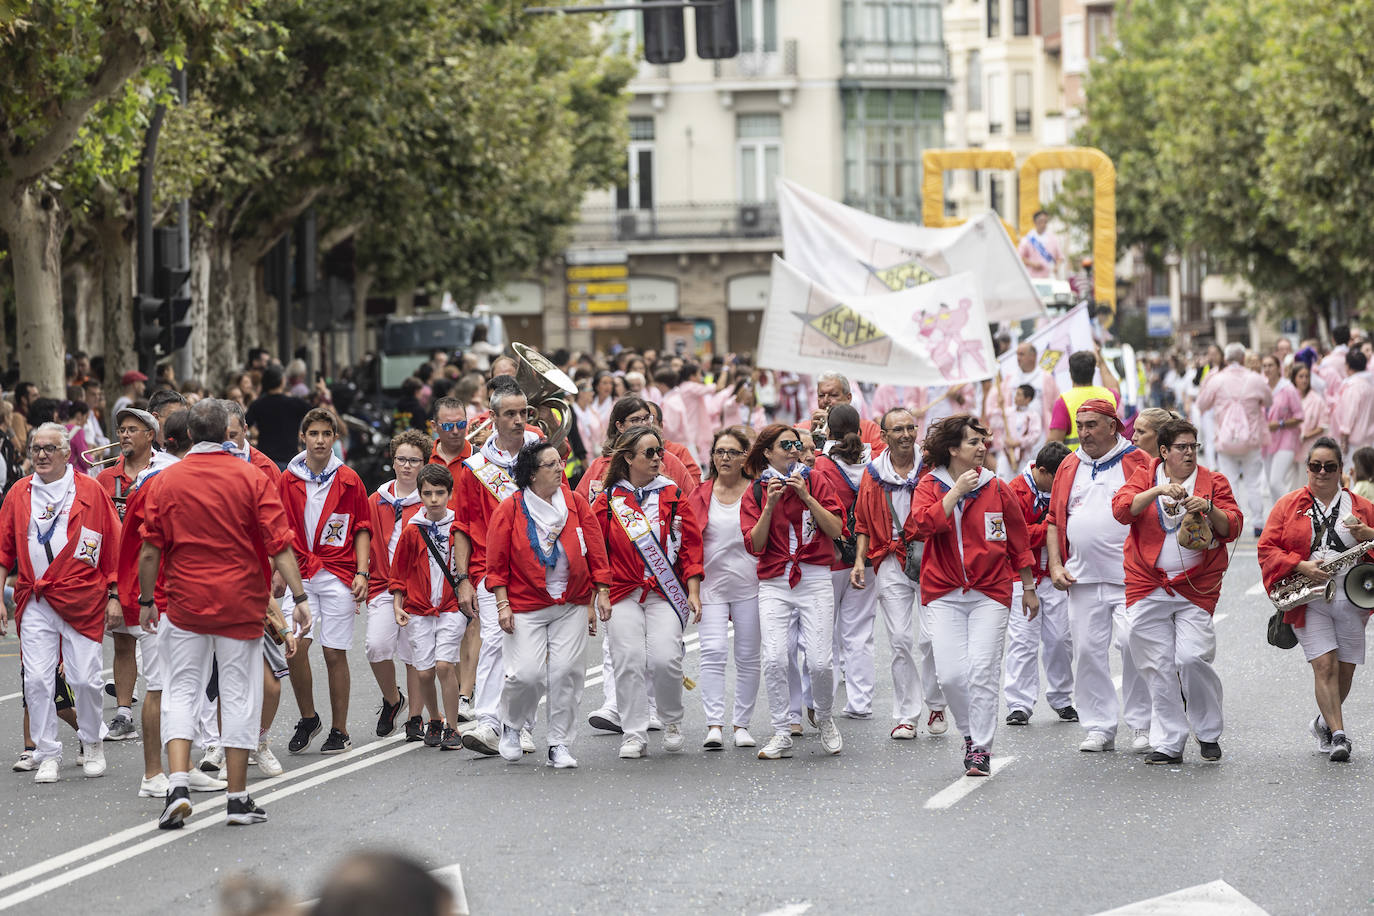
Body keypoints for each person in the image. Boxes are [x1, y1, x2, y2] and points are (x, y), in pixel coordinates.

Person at [138, 399, 310, 827]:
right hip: (240, 603)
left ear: (190, 436)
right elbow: (279, 545)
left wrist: (145, 601)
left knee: (180, 692)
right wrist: (300, 597)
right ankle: (237, 797)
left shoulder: (166, 480)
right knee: (237, 695)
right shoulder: (251, 477)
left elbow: (149, 551)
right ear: (229, 433)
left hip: (185, 602)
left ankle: (177, 785)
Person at [908, 414, 1037, 776]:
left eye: (983, 443)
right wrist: (955, 493)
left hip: (990, 591)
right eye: (973, 443)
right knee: (949, 676)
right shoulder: (930, 485)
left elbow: (1018, 539)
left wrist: (1028, 587)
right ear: (953, 449)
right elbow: (921, 526)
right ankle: (969, 733)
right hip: (944, 591)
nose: (982, 448)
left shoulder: (997, 486)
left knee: (982, 670)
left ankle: (980, 747)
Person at [0, 423, 121, 783]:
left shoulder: (90, 491)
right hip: (34, 598)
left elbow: (111, 545)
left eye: (49, 448)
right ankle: (47, 750)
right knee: (37, 680)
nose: (40, 455)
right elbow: (4, 550)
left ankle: (92, 742)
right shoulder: (19, 493)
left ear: (66, 453)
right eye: (36, 448)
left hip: (82, 598)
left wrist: (114, 594)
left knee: (85, 680)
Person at [116, 411, 229, 796]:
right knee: (162, 686)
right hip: (161, 597)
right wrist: (140, 597)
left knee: (187, 685)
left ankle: (185, 765)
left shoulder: (170, 476)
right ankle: (152, 774)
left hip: (183, 594)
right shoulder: (160, 480)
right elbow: (142, 546)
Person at [1113, 418, 1238, 764]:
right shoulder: (1144, 476)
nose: (1189, 453)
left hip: (1195, 586)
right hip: (1146, 582)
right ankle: (1168, 742)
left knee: (1191, 657)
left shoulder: (1213, 481)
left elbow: (1233, 525)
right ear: (1164, 451)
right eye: (1181, 447)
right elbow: (1122, 510)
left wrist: (1209, 508)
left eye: (1193, 446)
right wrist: (1156, 491)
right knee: (1156, 664)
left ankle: (1209, 731)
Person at [487, 439, 612, 768]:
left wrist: (601, 591)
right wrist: (502, 605)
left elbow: (596, 551)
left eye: (560, 462)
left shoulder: (575, 503)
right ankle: (511, 725)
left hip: (570, 603)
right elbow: (496, 564)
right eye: (551, 464)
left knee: (567, 673)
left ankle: (559, 743)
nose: (560, 469)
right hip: (525, 604)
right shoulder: (510, 508)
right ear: (531, 474)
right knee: (526, 675)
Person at [1046, 398, 1154, 754]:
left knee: (1133, 647)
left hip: (1131, 577)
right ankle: (1099, 726)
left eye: (1092, 424)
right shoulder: (1067, 465)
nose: (1084, 432)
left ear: (1113, 426)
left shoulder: (1137, 461)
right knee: (1089, 652)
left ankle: (1142, 724)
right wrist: (1056, 564)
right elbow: (1053, 521)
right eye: (1081, 424)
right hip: (1082, 578)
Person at [591, 426, 704, 759]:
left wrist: (694, 591)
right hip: (623, 591)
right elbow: (596, 551)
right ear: (628, 458)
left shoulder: (671, 494)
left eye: (659, 452)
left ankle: (671, 720)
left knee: (665, 658)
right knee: (628, 660)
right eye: (649, 453)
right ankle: (633, 731)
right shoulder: (608, 500)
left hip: (664, 592)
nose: (658, 459)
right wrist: (600, 592)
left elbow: (691, 546)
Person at [1261, 437, 1374, 761]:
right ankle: (1339, 736)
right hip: (1309, 598)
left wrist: (1369, 536)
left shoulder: (1362, 507)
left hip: (1352, 595)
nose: (1321, 472)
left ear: (1342, 470)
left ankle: (1324, 722)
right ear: (1307, 468)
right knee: (1324, 666)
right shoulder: (1288, 505)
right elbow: (1267, 548)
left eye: (1329, 466)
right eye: (1315, 466)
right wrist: (1300, 565)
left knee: (1345, 671)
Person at [742, 424, 846, 761]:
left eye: (796, 445)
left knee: (819, 661)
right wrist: (770, 505)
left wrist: (806, 496)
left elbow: (836, 529)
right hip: (774, 580)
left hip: (814, 577)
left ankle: (825, 718)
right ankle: (782, 730)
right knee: (774, 657)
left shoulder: (816, 481)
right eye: (784, 445)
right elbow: (754, 545)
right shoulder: (757, 491)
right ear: (768, 452)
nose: (792, 450)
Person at [850, 407, 948, 740]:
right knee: (901, 641)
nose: (906, 435)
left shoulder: (933, 467)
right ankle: (907, 715)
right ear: (884, 435)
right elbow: (862, 522)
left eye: (910, 428)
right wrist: (860, 561)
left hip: (931, 558)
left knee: (932, 638)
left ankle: (936, 703)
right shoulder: (873, 473)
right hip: (890, 560)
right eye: (898, 429)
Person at [454, 388, 543, 756]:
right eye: (510, 414)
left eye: (523, 412)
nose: (518, 420)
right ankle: (489, 721)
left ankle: (522, 725)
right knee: (493, 639)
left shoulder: (541, 455)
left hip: (537, 567)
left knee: (531, 652)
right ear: (494, 418)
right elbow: (462, 526)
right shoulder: (475, 469)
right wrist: (462, 579)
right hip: (489, 569)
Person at [279, 408, 372, 756]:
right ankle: (308, 717)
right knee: (294, 647)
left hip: (337, 573)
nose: (320, 440)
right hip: (299, 572)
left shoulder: (348, 479)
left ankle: (339, 729)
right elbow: (277, 529)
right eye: (313, 433)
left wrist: (362, 571)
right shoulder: (287, 478)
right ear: (303, 437)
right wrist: (277, 570)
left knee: (334, 652)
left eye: (326, 434)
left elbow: (363, 527)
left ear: (335, 438)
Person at [688, 426, 761, 750]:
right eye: (719, 452)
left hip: (751, 586)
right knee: (713, 652)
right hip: (712, 588)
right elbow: (688, 546)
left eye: (732, 452)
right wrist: (692, 590)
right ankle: (714, 725)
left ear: (746, 456)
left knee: (747, 657)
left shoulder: (758, 492)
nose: (725, 458)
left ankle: (741, 725)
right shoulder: (701, 494)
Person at [390, 464, 468, 751]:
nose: (434, 499)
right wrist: (398, 605)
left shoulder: (459, 525)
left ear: (449, 493)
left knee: (445, 665)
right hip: (420, 608)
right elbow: (398, 571)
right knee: (424, 672)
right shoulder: (412, 530)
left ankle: (453, 726)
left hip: (450, 607)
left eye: (439, 493)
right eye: (427, 493)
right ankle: (433, 718)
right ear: (420, 495)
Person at [1003, 441, 1077, 726]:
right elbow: (1015, 535)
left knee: (1060, 639)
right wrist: (1052, 527)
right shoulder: (1014, 490)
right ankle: (1019, 703)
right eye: (1057, 478)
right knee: (1023, 639)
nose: (1063, 484)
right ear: (1042, 471)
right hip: (1023, 576)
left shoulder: (1065, 489)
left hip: (1056, 574)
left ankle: (1061, 697)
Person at [810, 405, 877, 719]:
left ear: (828, 432)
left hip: (831, 556)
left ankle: (822, 704)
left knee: (825, 633)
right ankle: (860, 702)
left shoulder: (820, 465)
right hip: (866, 554)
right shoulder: (875, 464)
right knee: (859, 632)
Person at [364, 430, 430, 741]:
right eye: (401, 459)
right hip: (382, 585)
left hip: (418, 589)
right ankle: (393, 700)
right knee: (377, 647)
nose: (406, 466)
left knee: (414, 654)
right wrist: (361, 575)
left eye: (414, 460)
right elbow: (363, 538)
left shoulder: (430, 501)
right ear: (393, 462)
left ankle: (416, 717)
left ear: (424, 464)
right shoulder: (376, 499)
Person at [1195, 342, 1271, 535]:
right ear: (1244, 358)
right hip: (1251, 439)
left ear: (1226, 359)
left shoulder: (1217, 379)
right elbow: (1269, 401)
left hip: (1225, 440)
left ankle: (1234, 519)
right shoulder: (1255, 379)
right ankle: (1258, 522)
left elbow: (1202, 404)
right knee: (1253, 482)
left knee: (1230, 482)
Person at [1047, 350, 1120, 446]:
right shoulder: (1110, 395)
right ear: (1093, 371)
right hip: (1108, 457)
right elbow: (1114, 384)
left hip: (1077, 459)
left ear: (1070, 372)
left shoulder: (1063, 401)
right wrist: (1101, 361)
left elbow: (1054, 442)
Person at [1262, 353, 1304, 517]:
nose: (1267, 369)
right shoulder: (1263, 388)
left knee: (1276, 481)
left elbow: (1299, 416)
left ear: (1278, 368)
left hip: (1286, 439)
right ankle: (1278, 518)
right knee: (1271, 485)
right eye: (1264, 366)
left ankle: (1293, 513)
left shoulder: (1288, 389)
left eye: (1270, 365)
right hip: (1267, 441)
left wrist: (1279, 424)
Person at [246, 365, 311, 470]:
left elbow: (244, 423)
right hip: (289, 460)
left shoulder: (257, 404)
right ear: (282, 381)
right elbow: (317, 414)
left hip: (266, 460)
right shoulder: (295, 403)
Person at [810, 372, 885, 457]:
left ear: (848, 398)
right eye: (821, 395)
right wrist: (809, 439)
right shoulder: (804, 428)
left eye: (834, 395)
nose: (826, 400)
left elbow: (882, 458)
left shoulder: (870, 429)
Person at [1334, 350, 1374, 458]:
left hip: (1354, 442)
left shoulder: (1352, 387)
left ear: (1347, 366)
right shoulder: (1369, 386)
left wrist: (1344, 439)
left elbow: (1349, 414)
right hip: (1369, 439)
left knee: (1352, 472)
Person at [1294, 362, 1330, 473]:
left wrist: (1305, 436)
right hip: (1290, 446)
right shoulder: (1291, 396)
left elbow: (1323, 425)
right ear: (1294, 378)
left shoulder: (1317, 400)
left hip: (1309, 447)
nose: (1304, 380)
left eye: (1307, 377)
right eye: (1301, 376)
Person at [1017, 209, 1063, 279]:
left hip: (1049, 277)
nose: (1043, 224)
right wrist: (1032, 264)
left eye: (1045, 222)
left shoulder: (1053, 239)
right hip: (1032, 277)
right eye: (1041, 221)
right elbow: (1019, 257)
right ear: (1035, 222)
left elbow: (1060, 257)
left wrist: (1056, 267)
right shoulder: (1027, 239)